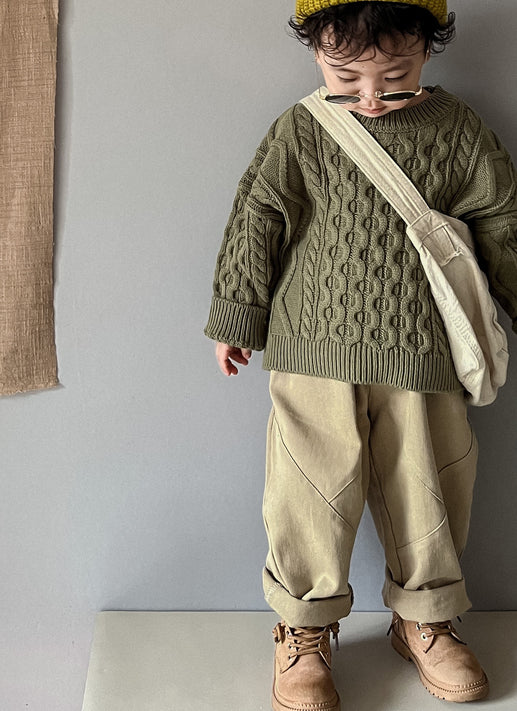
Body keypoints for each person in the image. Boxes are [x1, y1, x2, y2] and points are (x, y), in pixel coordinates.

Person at [204, 2, 517, 709]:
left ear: (426, 50)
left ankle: (426, 617)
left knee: (429, 485)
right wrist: (237, 314)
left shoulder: (458, 131)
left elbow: (502, 224)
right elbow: (258, 216)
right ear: (315, 51)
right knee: (306, 493)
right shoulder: (302, 129)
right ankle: (303, 628)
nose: (370, 97)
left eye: (394, 76)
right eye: (346, 77)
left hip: (422, 350)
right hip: (311, 348)